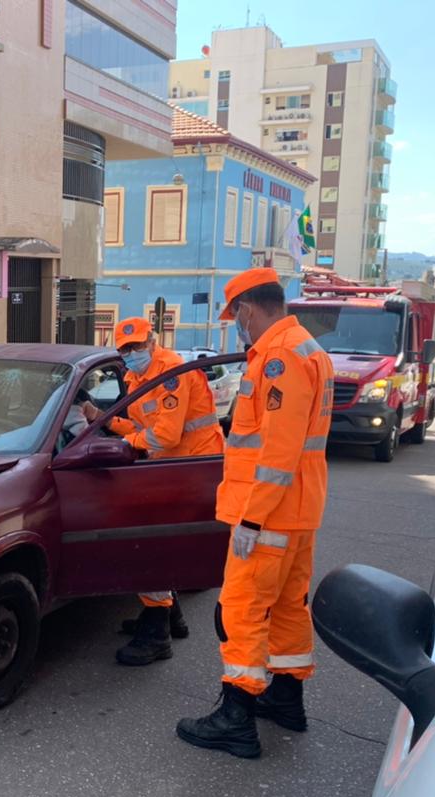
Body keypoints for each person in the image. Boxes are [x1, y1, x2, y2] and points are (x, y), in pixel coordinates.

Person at [176, 267, 333, 760]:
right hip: (298, 510)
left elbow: (277, 450)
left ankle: (236, 717)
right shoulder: (307, 348)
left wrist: (251, 518)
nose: (236, 326)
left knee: (242, 611)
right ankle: (285, 699)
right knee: (287, 608)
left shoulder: (279, 358)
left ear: (246, 308)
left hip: (268, 514)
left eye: (235, 316)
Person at [89, 316, 225, 667]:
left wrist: (127, 444)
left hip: (192, 466)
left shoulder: (170, 374)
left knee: (151, 548)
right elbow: (140, 425)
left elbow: (164, 436)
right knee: (164, 545)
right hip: (171, 466)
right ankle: (170, 617)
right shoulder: (137, 376)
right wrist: (100, 418)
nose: (132, 353)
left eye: (137, 346)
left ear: (153, 341)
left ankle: (157, 634)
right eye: (126, 349)